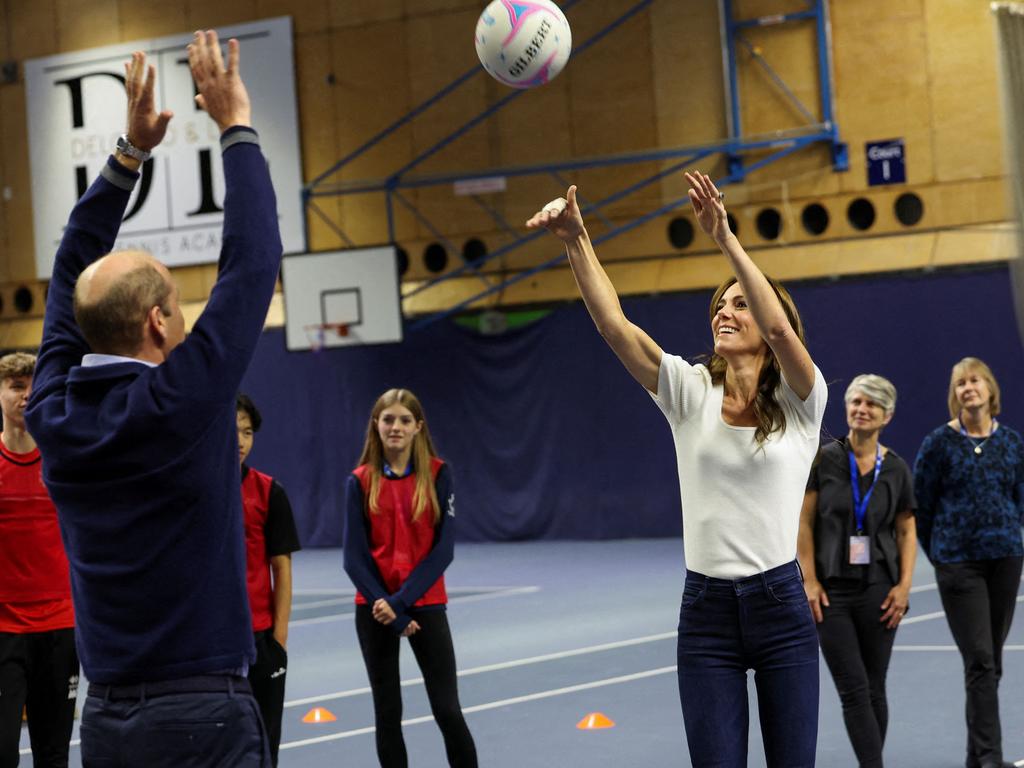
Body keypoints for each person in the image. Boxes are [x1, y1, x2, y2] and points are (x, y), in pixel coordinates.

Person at [23, 32, 281, 767]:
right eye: (177, 301)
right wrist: (235, 123)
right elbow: (255, 258)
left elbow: (71, 268)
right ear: (158, 322)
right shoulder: (185, 399)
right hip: (204, 709)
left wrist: (126, 158)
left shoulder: (54, 417)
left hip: (105, 716)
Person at [527, 175, 827, 767]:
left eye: (739, 301)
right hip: (707, 613)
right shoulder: (689, 391)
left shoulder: (802, 402)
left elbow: (778, 329)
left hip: (781, 610)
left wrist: (725, 238)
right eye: (720, 303)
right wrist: (575, 239)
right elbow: (616, 326)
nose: (725, 310)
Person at [343, 389, 478, 768]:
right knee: (388, 714)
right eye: (388, 420)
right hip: (374, 610)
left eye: (404, 420)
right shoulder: (359, 481)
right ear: (376, 425)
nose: (396, 427)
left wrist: (401, 604)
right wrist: (385, 606)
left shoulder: (439, 475)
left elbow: (443, 551)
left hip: (424, 605)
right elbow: (353, 559)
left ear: (418, 427)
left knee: (447, 710)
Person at [798, 374, 916, 768]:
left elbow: (905, 529)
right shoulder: (825, 459)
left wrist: (903, 587)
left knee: (875, 688)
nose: (862, 410)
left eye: (872, 405)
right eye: (856, 402)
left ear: (887, 415)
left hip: (880, 590)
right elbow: (803, 520)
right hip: (831, 593)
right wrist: (809, 580)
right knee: (853, 687)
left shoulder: (896, 468)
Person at [914, 357, 1024, 768]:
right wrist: (941, 555)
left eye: (975, 380)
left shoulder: (1011, 442)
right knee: (979, 659)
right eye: (960, 382)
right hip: (958, 565)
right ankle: (990, 758)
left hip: (1005, 560)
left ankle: (976, 757)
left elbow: (1019, 496)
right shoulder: (938, 444)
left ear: (990, 390)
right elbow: (921, 506)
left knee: (989, 663)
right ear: (954, 394)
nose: (968, 387)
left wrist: (1011, 533)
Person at [0, 352, 78, 768]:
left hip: (59, 631)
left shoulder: (63, 463)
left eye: (33, 386)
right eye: (15, 386)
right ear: (0, 394)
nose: (26, 396)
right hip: (3, 631)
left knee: (53, 755)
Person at [236, 394, 302, 767]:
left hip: (261, 640)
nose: (241, 441)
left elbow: (282, 568)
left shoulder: (268, 491)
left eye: (247, 432)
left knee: (266, 744)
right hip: (213, 645)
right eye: (233, 431)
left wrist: (278, 637)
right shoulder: (197, 489)